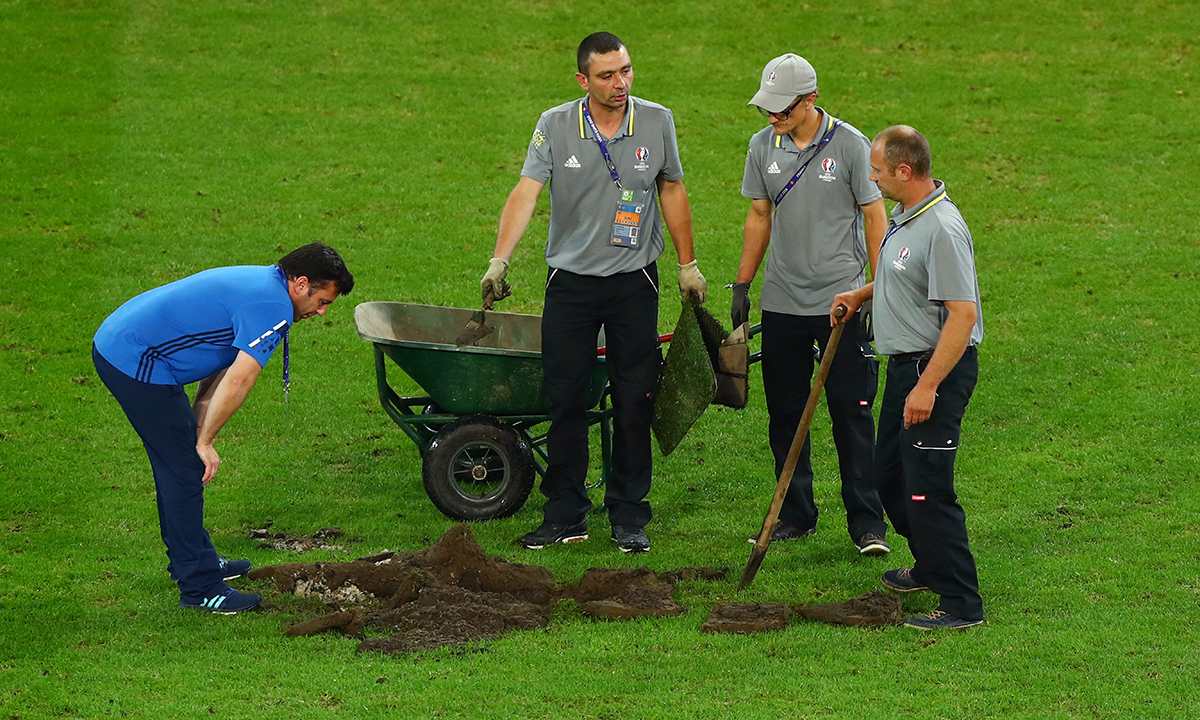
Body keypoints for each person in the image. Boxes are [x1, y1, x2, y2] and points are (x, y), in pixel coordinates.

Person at [480, 31, 707, 554]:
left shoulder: (658, 120)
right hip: (570, 285)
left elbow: (671, 187)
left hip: (634, 282)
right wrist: (500, 259)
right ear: (583, 80)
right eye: (607, 75)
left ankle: (629, 514)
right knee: (565, 400)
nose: (620, 83)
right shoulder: (555, 124)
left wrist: (688, 264)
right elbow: (526, 192)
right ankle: (565, 513)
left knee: (634, 400)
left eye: (626, 70)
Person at [92, 243, 354, 613]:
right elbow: (239, 379)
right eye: (323, 301)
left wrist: (200, 414)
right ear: (301, 284)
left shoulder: (264, 283)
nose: (322, 312)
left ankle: (197, 559)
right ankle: (200, 588)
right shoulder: (273, 307)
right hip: (133, 358)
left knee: (181, 464)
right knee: (184, 469)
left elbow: (221, 352)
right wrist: (205, 441)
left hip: (124, 342)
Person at [734, 53, 890, 555]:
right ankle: (796, 514)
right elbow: (759, 215)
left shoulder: (850, 145)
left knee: (851, 413)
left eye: (782, 109)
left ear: (811, 100)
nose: (773, 117)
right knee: (785, 414)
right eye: (768, 108)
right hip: (782, 303)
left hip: (841, 305)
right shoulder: (762, 145)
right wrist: (743, 284)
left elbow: (874, 217)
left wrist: (878, 289)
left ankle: (867, 523)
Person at [831, 126, 985, 630]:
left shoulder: (942, 228)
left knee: (928, 489)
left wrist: (927, 386)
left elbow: (962, 315)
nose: (872, 179)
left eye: (878, 171)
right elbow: (904, 278)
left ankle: (961, 603)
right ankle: (930, 565)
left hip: (932, 372)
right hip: (906, 369)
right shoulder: (908, 216)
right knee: (890, 477)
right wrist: (861, 295)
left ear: (904, 170)